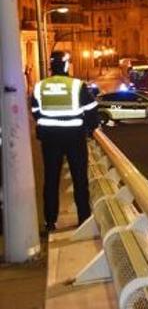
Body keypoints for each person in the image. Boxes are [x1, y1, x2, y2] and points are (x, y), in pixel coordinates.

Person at [31, 51, 99, 232]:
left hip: (50, 138)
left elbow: (35, 110)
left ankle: (50, 221)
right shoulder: (77, 85)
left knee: (51, 179)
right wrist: (90, 129)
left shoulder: (40, 86)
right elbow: (92, 111)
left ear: (51, 66)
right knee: (79, 179)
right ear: (67, 65)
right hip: (74, 137)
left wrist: (47, 124)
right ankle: (84, 218)